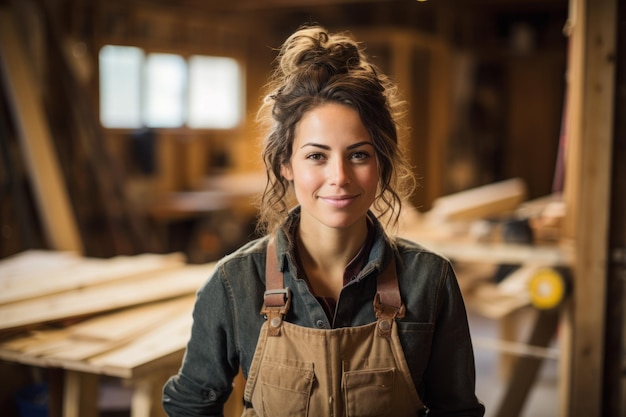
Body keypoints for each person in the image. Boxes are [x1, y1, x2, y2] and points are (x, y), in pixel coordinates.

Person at [162, 24, 485, 417]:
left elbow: (457, 411)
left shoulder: (429, 281)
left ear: (381, 162)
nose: (340, 177)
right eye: (317, 156)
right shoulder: (235, 284)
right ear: (286, 164)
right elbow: (190, 405)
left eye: (359, 155)